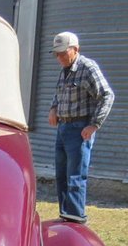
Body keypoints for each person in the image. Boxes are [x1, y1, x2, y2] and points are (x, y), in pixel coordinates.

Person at [47, 31, 114, 223]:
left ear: (75, 49)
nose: (58, 57)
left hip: (79, 129)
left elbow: (107, 95)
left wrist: (94, 124)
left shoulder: (88, 68)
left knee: (75, 178)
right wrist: (53, 108)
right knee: (61, 176)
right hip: (63, 129)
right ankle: (65, 217)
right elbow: (59, 94)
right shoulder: (64, 70)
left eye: (62, 53)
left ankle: (76, 221)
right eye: (56, 54)